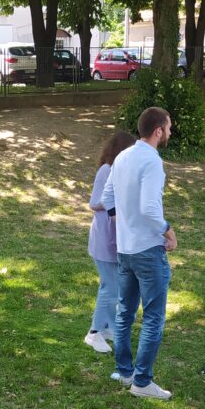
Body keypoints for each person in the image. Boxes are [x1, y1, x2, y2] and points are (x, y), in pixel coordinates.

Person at [101, 107, 177, 399]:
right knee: (153, 316)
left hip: (126, 249)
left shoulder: (122, 156)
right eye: (168, 127)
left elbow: (107, 197)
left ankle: (125, 372)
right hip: (147, 250)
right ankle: (142, 382)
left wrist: (122, 224)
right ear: (158, 131)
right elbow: (149, 208)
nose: (170, 132)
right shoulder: (152, 161)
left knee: (125, 313)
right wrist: (167, 230)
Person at [84, 131, 135, 353]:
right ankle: (94, 333)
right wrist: (117, 202)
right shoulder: (106, 170)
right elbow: (95, 202)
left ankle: (107, 328)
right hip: (104, 237)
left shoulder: (118, 171)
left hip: (114, 237)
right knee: (111, 287)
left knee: (112, 286)